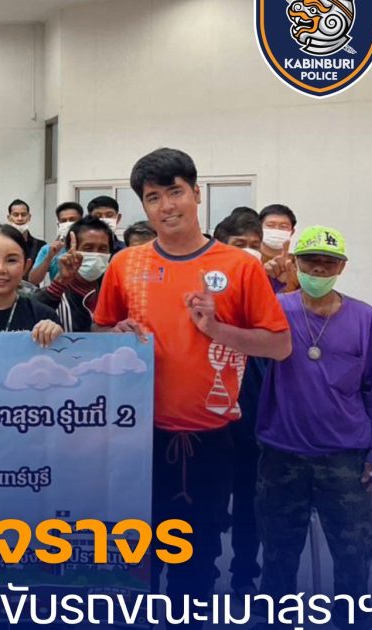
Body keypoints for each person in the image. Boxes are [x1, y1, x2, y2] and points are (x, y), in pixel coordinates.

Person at [92, 148, 291, 626]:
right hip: (135, 438)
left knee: (197, 563)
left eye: (175, 192)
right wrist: (115, 333)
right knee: (136, 560)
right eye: (153, 197)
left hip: (209, 441)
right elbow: (100, 330)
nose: (166, 206)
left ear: (196, 194)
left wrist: (217, 330)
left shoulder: (240, 266)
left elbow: (280, 345)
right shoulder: (125, 264)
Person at [255, 226, 372, 628]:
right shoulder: (277, 309)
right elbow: (240, 318)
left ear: (342, 267)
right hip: (282, 456)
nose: (319, 269)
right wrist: (268, 278)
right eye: (310, 261)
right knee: (277, 557)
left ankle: (351, 620)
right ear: (295, 263)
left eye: (328, 263)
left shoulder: (364, 317)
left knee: (354, 558)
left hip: (346, 459)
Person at [211, 211, 268, 595]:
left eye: (254, 246)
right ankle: (205, 571)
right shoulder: (201, 294)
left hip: (254, 419)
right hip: (208, 421)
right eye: (239, 245)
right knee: (209, 506)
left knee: (251, 503)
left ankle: (245, 573)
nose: (248, 253)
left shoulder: (268, 296)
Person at [32, 215, 112, 333]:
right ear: (71, 250)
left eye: (103, 249)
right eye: (88, 248)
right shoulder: (55, 293)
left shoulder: (113, 293)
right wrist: (61, 281)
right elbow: (30, 314)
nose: (96, 254)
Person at [28, 201, 85, 286]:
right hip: (58, 293)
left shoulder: (91, 247)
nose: (68, 224)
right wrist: (49, 257)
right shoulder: (49, 249)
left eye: (72, 219)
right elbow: (33, 280)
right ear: (59, 225)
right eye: (63, 221)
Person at [259, 203, 301, 293]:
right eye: (270, 225)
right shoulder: (250, 259)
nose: (276, 230)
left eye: (284, 227)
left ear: (292, 232)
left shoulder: (297, 264)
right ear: (259, 228)